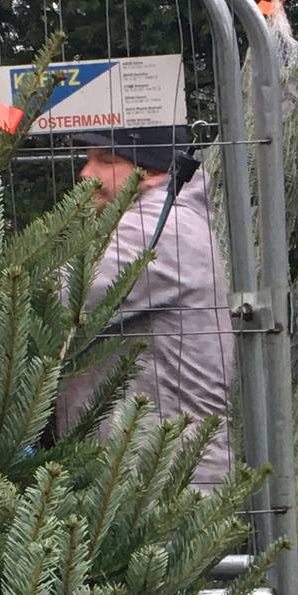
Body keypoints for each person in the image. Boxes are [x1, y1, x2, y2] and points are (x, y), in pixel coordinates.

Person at [58, 124, 235, 488]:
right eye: (88, 158)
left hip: (162, 478)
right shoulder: (156, 219)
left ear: (154, 174)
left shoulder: (160, 228)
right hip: (146, 468)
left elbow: (62, 299)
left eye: (105, 161)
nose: (86, 174)